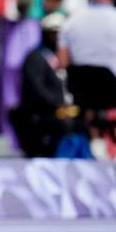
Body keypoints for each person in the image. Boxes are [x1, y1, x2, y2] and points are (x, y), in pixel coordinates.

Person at [10, 12, 73, 157]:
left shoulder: (61, 57)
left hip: (62, 114)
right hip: (41, 118)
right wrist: (58, 103)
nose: (58, 38)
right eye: (54, 33)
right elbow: (36, 88)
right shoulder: (36, 57)